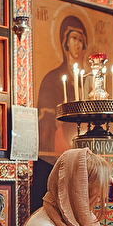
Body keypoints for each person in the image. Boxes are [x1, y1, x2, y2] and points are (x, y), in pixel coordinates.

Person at [36, 15, 88, 156]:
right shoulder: (52, 78)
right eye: (74, 38)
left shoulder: (88, 79)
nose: (78, 45)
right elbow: (44, 119)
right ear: (65, 42)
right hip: (60, 144)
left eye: (81, 40)